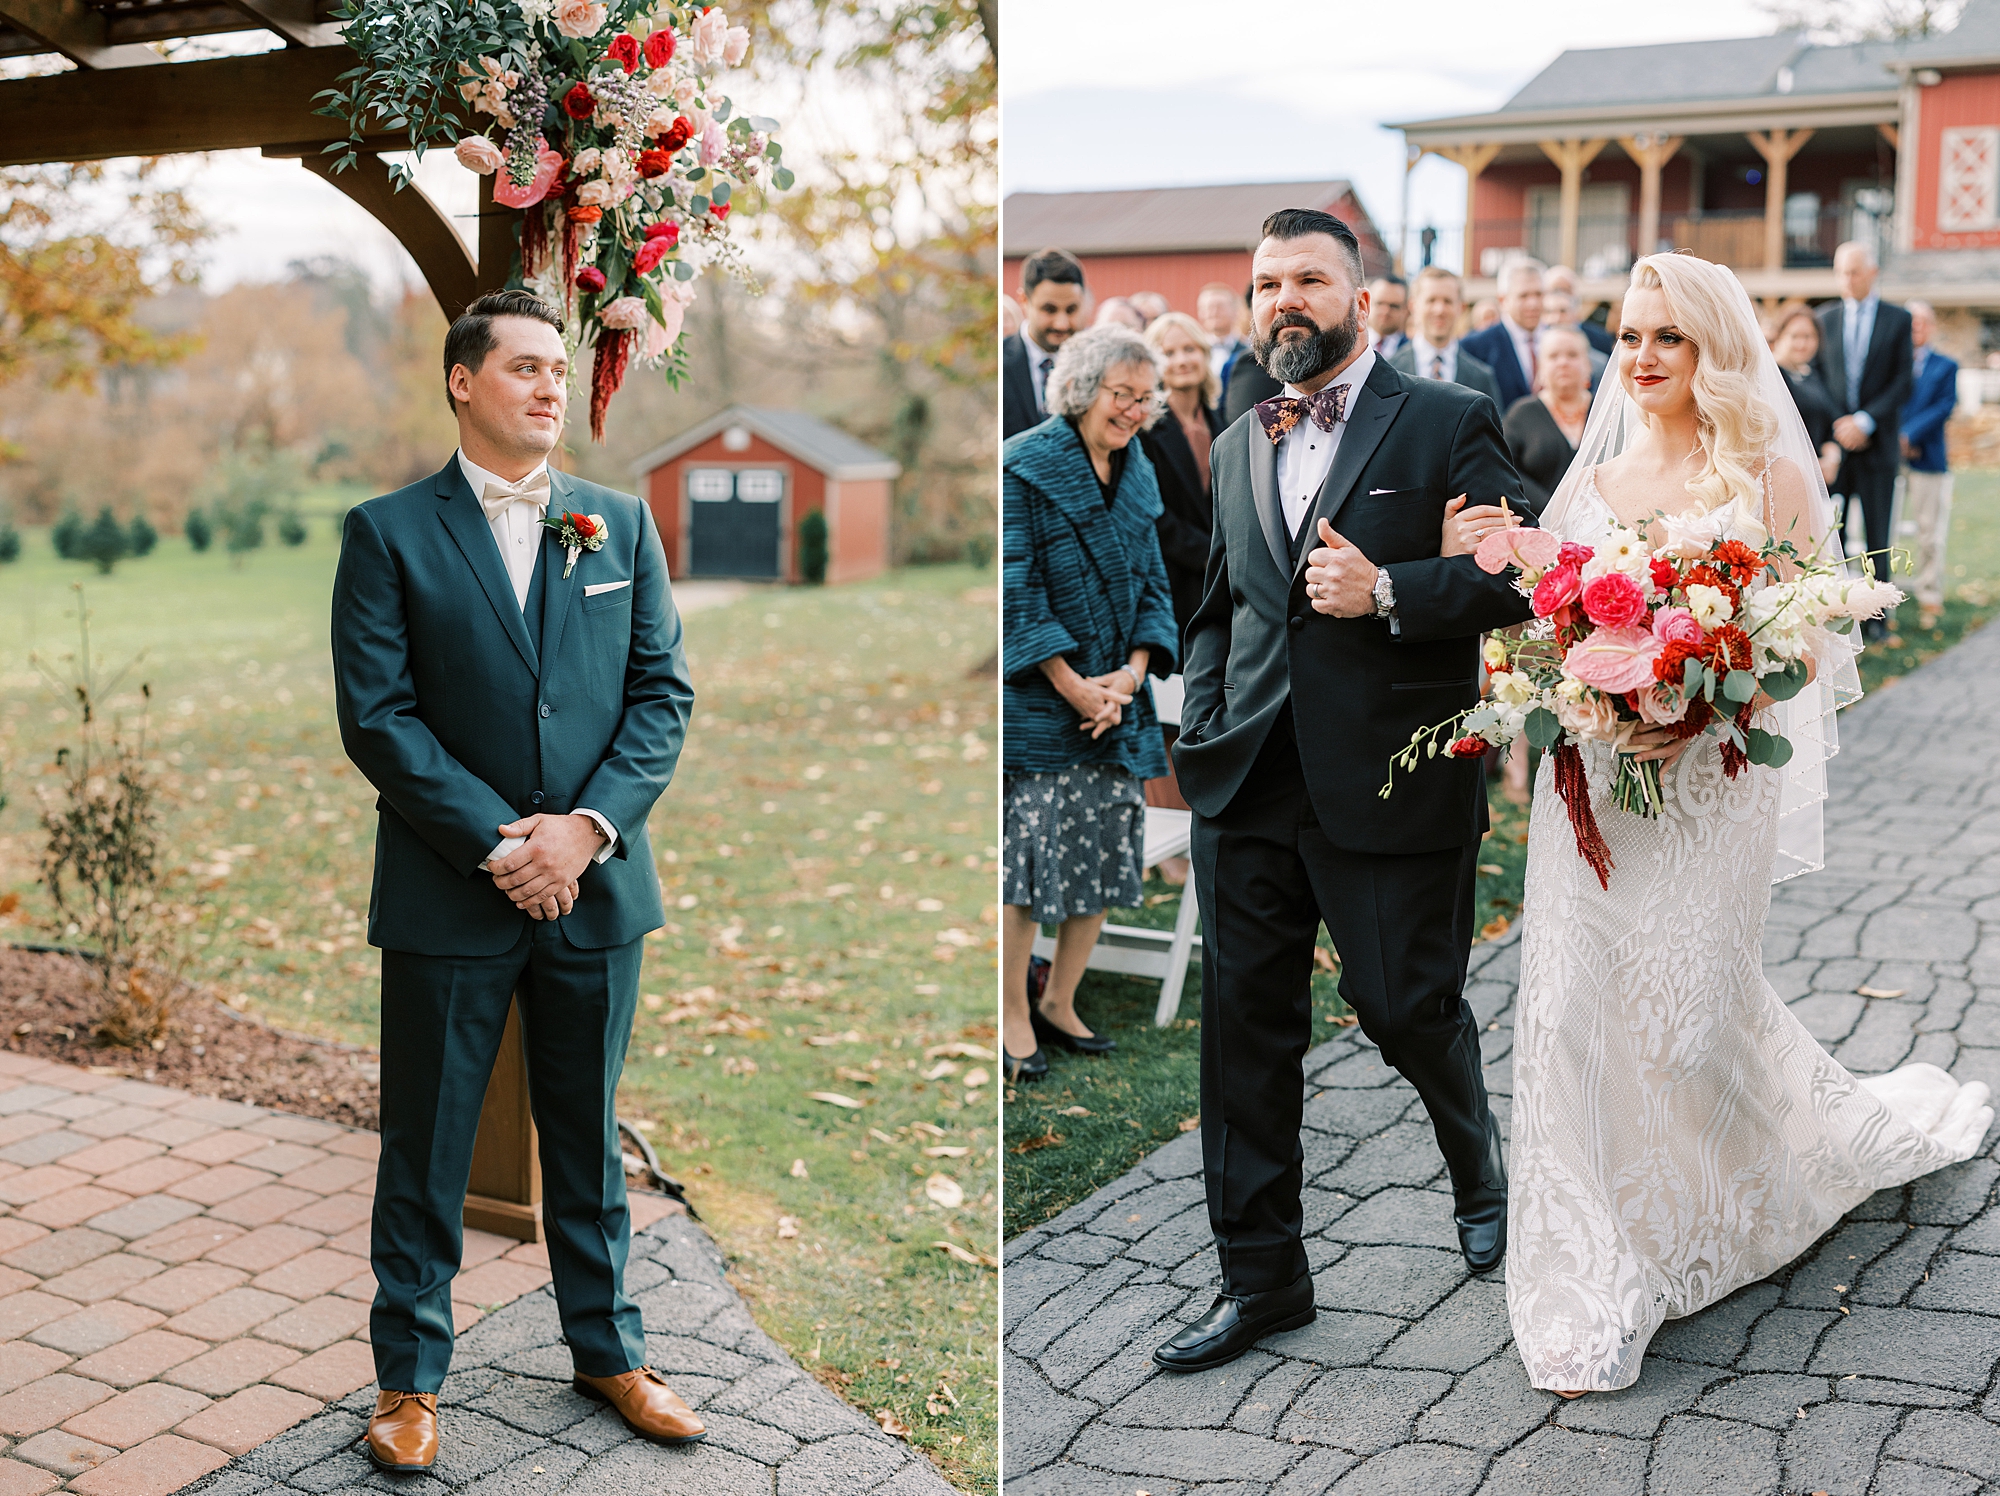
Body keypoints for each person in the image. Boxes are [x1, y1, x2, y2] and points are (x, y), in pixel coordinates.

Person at [1486, 252, 1991, 1397]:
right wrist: (1584, 696)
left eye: (1666, 334)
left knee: (1682, 1022)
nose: (1643, 355)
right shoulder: (1596, 484)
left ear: (1712, 346)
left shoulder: (1762, 469)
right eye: (1627, 334)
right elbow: (1545, 639)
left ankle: (1760, 1182)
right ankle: (1596, 1256)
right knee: (1567, 1012)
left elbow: (1809, 631)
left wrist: (1707, 697)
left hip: (1713, 781)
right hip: (1599, 793)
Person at [1152, 207, 1534, 1374]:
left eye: (1307, 278)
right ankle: (1260, 1278)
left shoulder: (1445, 420)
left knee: (1404, 1009)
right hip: (1247, 785)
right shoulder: (1233, 441)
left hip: (1390, 776)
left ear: (1358, 300)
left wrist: (1388, 591)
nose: (1283, 299)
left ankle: (1475, 1160)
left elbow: (1516, 574)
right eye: (1266, 281)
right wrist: (1207, 719)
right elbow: (1217, 604)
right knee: (1243, 1040)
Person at [331, 290, 703, 1470]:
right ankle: (407, 1379)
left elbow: (660, 696)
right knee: (425, 1141)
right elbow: (378, 720)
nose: (552, 387)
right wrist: (506, 841)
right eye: (527, 367)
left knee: (587, 1140)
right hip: (452, 890)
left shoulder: (616, 524)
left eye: (559, 369)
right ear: (462, 380)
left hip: (594, 890)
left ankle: (608, 1351)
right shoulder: (386, 531)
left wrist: (583, 832)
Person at [1001, 325, 1179, 1083]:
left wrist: (1133, 678)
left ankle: (1061, 1001)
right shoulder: (1022, 465)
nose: (1133, 411)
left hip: (1118, 700)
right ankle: (1011, 1011)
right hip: (1046, 706)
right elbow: (1015, 588)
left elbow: (1154, 586)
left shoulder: (1139, 469)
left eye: (1145, 398)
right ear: (1081, 389)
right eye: (1121, 395)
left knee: (1103, 856)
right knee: (1030, 869)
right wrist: (1075, 686)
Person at [1813, 240, 1913, 641]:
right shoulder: (1824, 318)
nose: (1846, 279)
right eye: (1840, 272)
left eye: (1853, 271)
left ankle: (1879, 620)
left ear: (1871, 273)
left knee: (1877, 535)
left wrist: (1866, 421)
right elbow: (1818, 377)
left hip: (1877, 445)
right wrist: (1841, 423)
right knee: (1829, 534)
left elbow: (1903, 380)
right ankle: (1835, 614)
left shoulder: (1898, 319)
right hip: (1836, 446)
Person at [1140, 311, 1220, 635]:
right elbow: (1150, 510)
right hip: (1173, 577)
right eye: (1169, 353)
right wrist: (1205, 553)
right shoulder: (1144, 430)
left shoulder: (1224, 423)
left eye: (1190, 349)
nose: (1182, 360)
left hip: (1220, 581)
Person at [1901, 299, 1958, 630]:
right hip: (1889, 457)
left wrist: (1909, 435)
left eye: (1922, 322)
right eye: (1911, 323)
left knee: (1929, 532)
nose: (1916, 328)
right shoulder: (1892, 364)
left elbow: (1944, 406)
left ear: (1932, 326)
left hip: (1928, 457)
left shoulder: (1945, 365)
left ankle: (1929, 593)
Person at [1501, 323, 1592, 512]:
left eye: (1572, 355)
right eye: (1553, 356)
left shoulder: (1607, 412)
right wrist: (1552, 509)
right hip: (1537, 525)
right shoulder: (1521, 414)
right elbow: (1505, 470)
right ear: (1540, 366)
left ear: (1588, 363)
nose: (1563, 362)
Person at [1003, 248, 1087, 441]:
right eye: (1049, 309)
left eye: (1071, 309)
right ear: (1024, 300)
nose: (1062, 323)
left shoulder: (1094, 364)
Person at [1389, 265, 1501, 409]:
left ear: (1461, 307)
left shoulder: (1482, 378)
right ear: (1413, 305)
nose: (1440, 310)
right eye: (1431, 300)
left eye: (1447, 301)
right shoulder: (1390, 371)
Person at [1767, 304, 1842, 487]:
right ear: (1779, 337)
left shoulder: (1813, 376)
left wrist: (1832, 457)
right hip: (1783, 478)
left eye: (1808, 337)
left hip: (1815, 479)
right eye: (1794, 336)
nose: (1802, 344)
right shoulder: (1771, 378)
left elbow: (1830, 425)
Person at [1461, 258, 1546, 412]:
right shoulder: (1475, 346)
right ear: (1503, 299)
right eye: (1524, 296)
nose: (1533, 304)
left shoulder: (1559, 341)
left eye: (1538, 294)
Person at [1544, 264, 1614, 354]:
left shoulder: (1601, 339)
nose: (1561, 296)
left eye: (1566, 290)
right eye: (1555, 291)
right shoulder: (1535, 341)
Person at [1198, 281, 1249, 403]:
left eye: (1219, 307)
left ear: (1235, 311)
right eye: (1207, 308)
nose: (1213, 312)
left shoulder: (1249, 351)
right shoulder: (1195, 352)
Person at [1366, 274, 1408, 358]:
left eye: (1394, 306)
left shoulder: (1412, 352)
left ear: (1405, 310)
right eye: (1379, 303)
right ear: (1367, 303)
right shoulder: (1350, 346)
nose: (1385, 311)